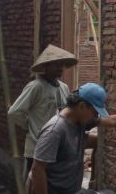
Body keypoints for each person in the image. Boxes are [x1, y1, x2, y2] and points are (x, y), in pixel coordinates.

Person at [29, 83, 116, 194]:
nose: (96, 117)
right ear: (82, 106)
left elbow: (111, 120)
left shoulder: (79, 120)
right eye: (95, 112)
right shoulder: (54, 130)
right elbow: (37, 169)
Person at [9, 44, 78, 176]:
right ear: (46, 67)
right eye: (55, 64)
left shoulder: (64, 87)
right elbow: (14, 112)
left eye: (61, 64)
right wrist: (28, 125)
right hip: (37, 147)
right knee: (34, 184)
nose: (60, 68)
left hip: (57, 147)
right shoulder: (36, 86)